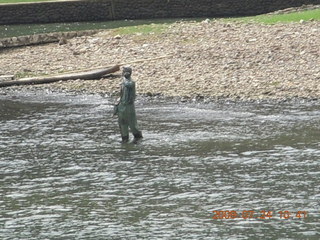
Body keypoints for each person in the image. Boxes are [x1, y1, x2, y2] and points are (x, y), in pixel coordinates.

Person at [114, 67, 143, 143]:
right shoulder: (123, 81)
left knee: (132, 123)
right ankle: (124, 138)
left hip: (129, 106)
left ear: (129, 73)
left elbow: (128, 84)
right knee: (122, 122)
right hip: (122, 105)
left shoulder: (130, 82)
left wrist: (124, 78)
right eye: (123, 71)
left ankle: (138, 137)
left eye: (125, 72)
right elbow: (121, 94)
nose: (123, 73)